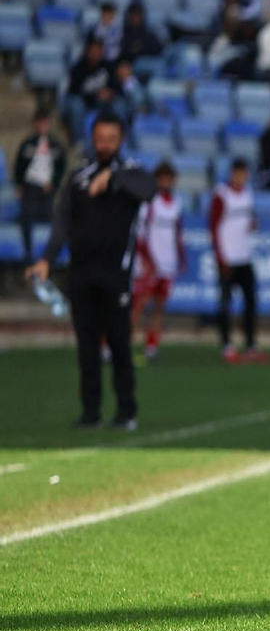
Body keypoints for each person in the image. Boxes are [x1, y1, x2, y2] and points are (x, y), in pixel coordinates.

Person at [25, 115, 155, 430]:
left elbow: (149, 191)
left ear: (120, 139)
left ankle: (126, 412)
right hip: (81, 274)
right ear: (93, 139)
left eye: (111, 137)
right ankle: (90, 413)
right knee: (86, 348)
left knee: (120, 345)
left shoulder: (132, 174)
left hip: (115, 275)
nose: (105, 144)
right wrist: (46, 259)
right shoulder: (78, 176)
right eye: (100, 137)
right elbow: (62, 221)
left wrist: (112, 178)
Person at [209, 159, 265, 364]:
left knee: (250, 300)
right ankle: (227, 345)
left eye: (245, 174)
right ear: (232, 173)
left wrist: (252, 224)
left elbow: (250, 217)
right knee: (225, 303)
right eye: (239, 173)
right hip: (227, 257)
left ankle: (250, 344)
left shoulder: (248, 193)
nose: (242, 178)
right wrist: (219, 256)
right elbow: (213, 226)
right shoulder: (221, 194)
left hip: (244, 255)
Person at [130, 161, 184, 361]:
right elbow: (140, 234)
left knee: (159, 307)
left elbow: (178, 231)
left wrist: (181, 257)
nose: (166, 182)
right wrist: (146, 258)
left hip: (168, 262)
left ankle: (152, 346)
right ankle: (120, 348)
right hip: (149, 263)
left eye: (169, 178)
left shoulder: (177, 202)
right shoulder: (149, 202)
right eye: (162, 178)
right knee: (138, 305)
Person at [12, 110, 66, 264]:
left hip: (47, 188)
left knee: (53, 218)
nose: (42, 125)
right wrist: (19, 184)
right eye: (40, 122)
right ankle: (28, 253)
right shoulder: (28, 143)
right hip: (30, 186)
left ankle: (50, 255)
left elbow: (61, 166)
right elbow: (19, 165)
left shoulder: (56, 145)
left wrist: (54, 183)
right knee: (26, 217)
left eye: (45, 122)